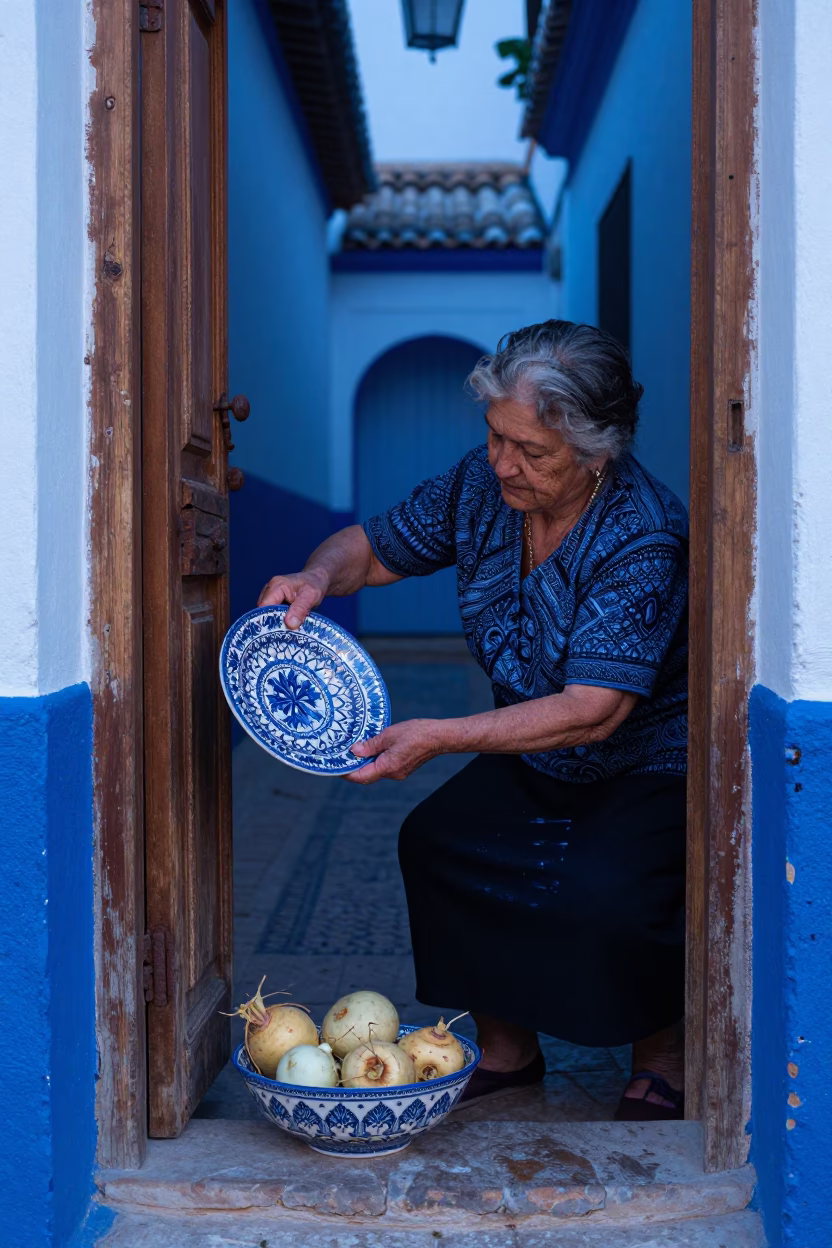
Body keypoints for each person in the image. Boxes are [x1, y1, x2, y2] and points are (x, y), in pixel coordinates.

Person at [259, 320, 689, 1119]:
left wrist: (438, 734)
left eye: (532, 451)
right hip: (533, 750)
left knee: (610, 894)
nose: (503, 463)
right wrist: (317, 575)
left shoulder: (643, 535)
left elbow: (594, 712)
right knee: (439, 844)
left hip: (642, 763)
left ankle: (661, 1052)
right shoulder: (483, 487)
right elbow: (376, 546)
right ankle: (509, 1049)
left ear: (597, 451)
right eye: (496, 437)